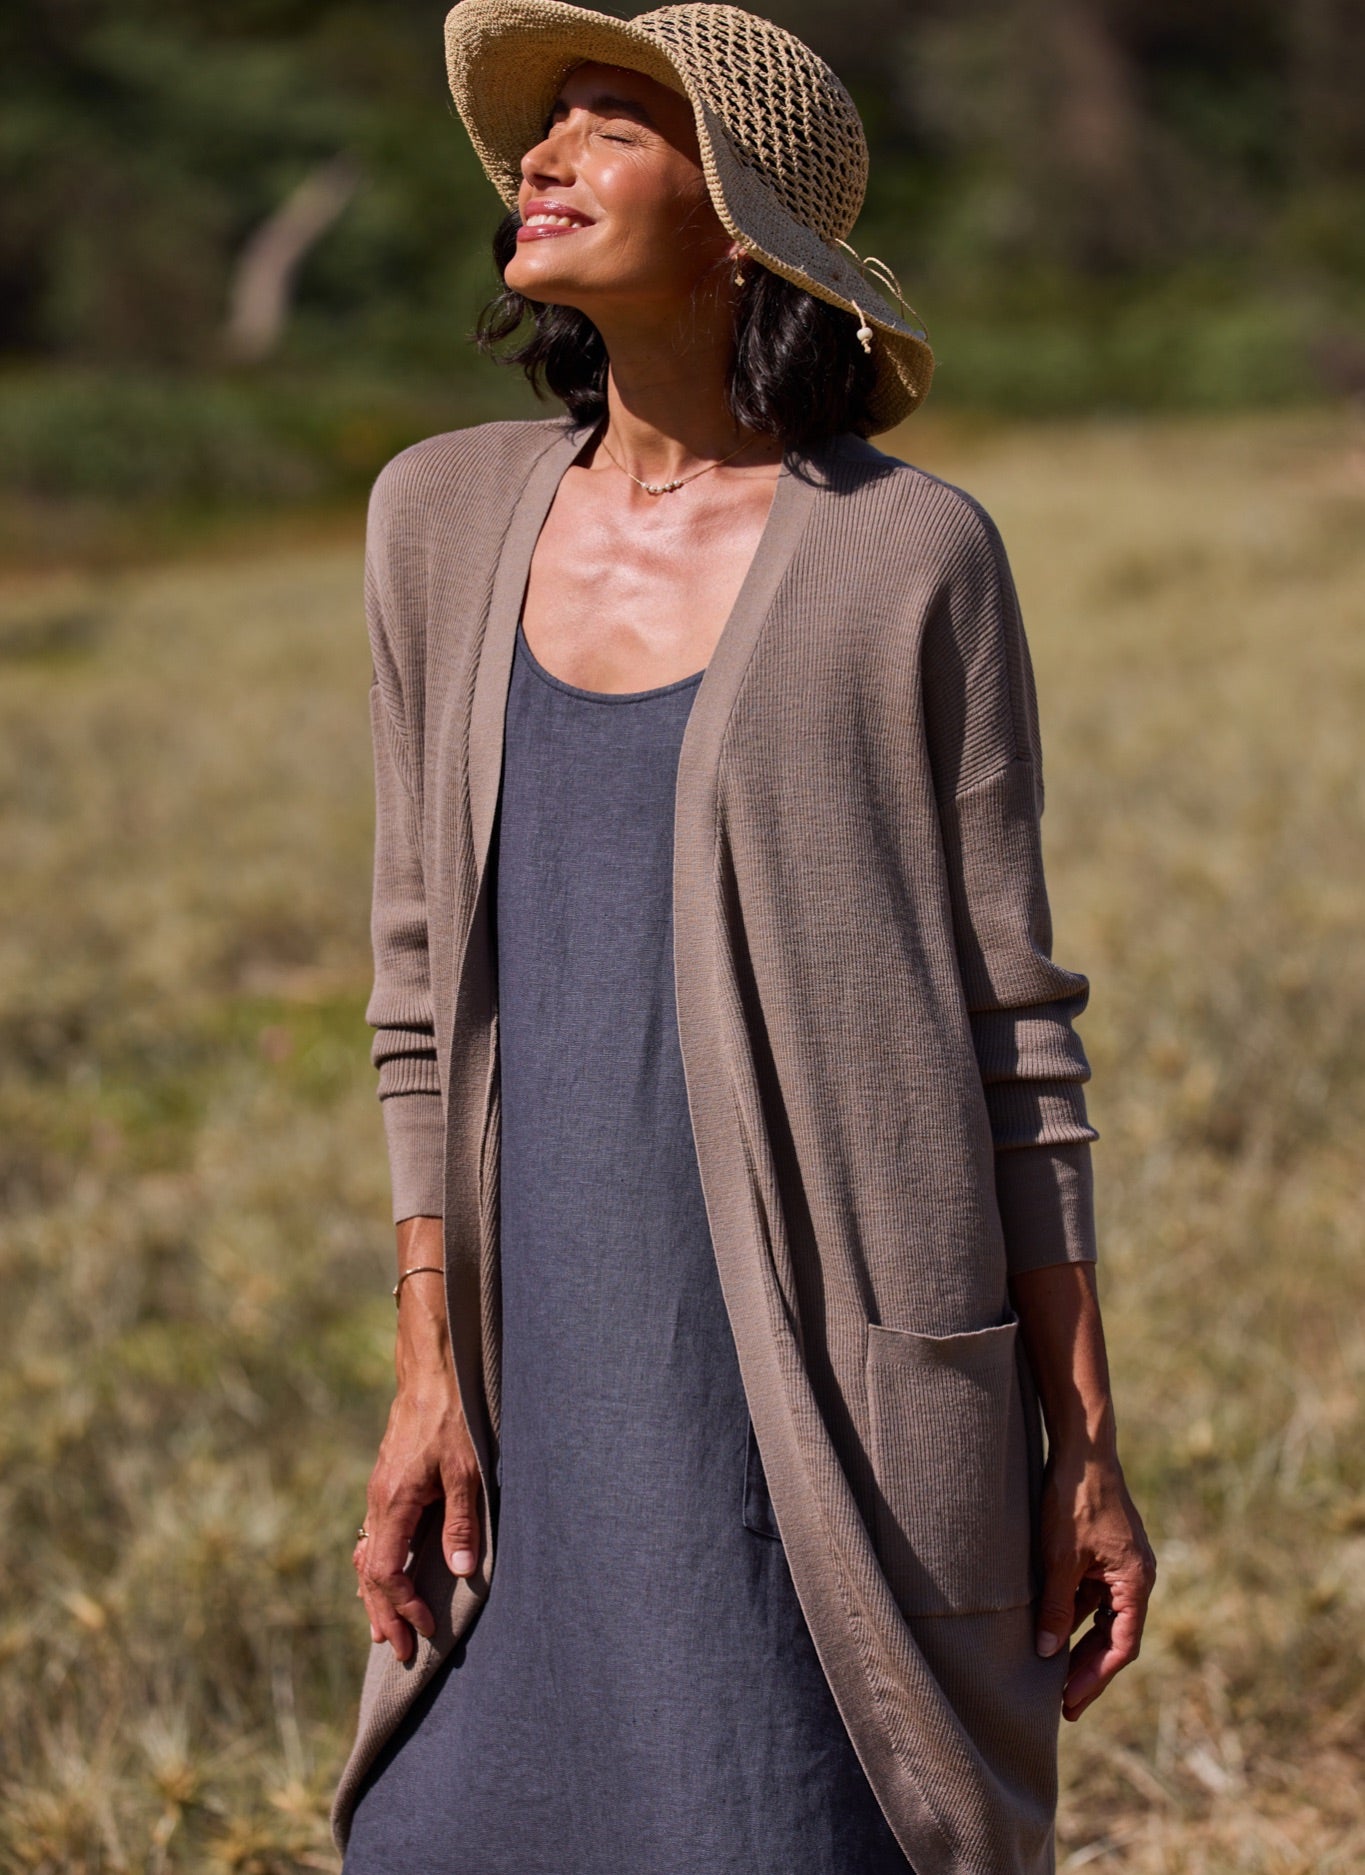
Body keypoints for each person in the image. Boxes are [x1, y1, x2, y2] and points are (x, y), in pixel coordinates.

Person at [331, 4, 1157, 1872]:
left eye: (612, 127)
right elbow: (415, 993)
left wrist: (1082, 1443)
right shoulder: (434, 520)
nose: (541, 158)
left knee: (772, 1819)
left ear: (737, 227)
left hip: (823, 1376)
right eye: (545, 127)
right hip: (539, 1358)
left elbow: (1014, 1030)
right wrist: (425, 1367)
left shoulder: (906, 554)